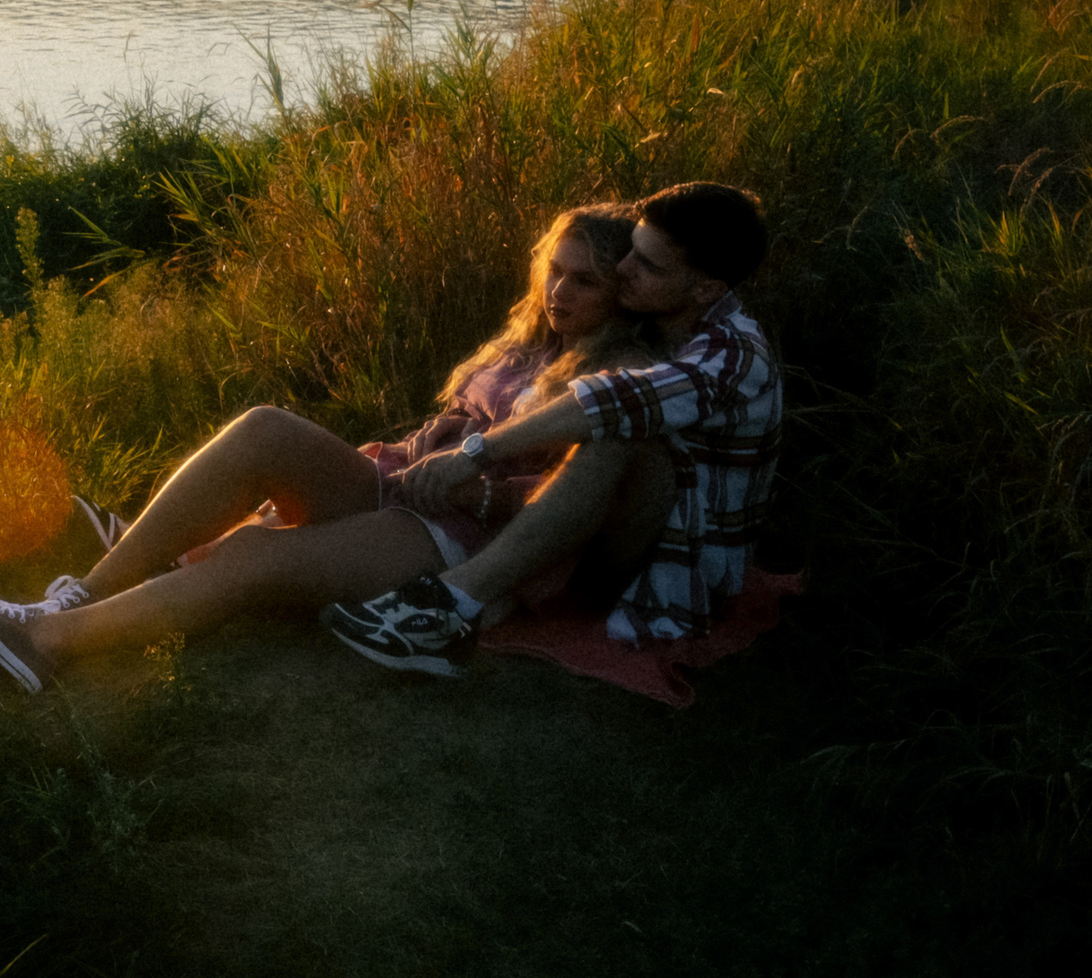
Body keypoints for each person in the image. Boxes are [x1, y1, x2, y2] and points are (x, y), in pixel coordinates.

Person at [0, 204, 660, 692]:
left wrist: (478, 487)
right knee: (263, 426)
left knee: (251, 555)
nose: (561, 290)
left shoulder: (615, 377)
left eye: (585, 280)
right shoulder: (536, 339)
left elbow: (578, 505)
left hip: (457, 536)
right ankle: (83, 589)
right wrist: (419, 448)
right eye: (556, 269)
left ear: (622, 293)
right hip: (406, 482)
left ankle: (49, 645)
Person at [320, 180, 779, 664]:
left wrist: (474, 454)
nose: (622, 269)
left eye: (645, 264)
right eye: (633, 251)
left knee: (620, 432)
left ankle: (449, 604)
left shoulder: (736, 355)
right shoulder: (666, 326)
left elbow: (612, 401)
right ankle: (473, 599)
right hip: (608, 528)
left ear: (708, 289)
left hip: (680, 559)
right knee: (617, 426)